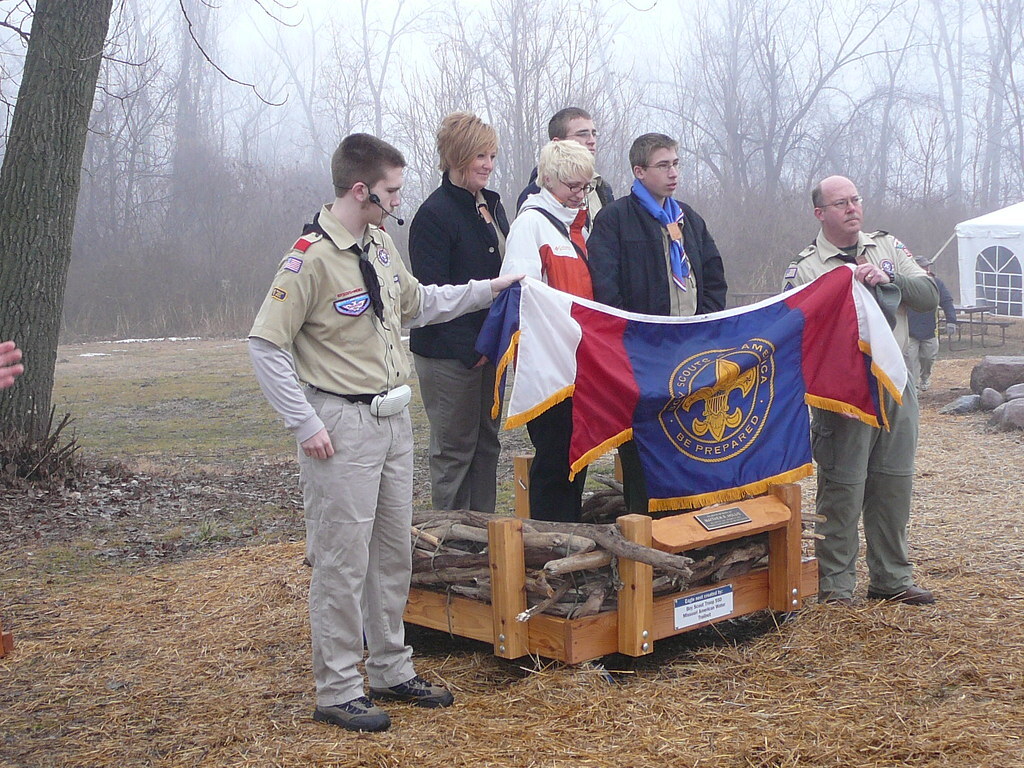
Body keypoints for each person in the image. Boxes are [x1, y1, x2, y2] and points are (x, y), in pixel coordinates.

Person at [248, 133, 521, 733]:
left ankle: (393, 667)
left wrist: (488, 290)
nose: (400, 199)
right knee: (342, 562)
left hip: (393, 420)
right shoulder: (310, 257)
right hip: (341, 425)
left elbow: (417, 303)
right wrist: (305, 422)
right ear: (360, 189)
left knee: (392, 554)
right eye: (392, 189)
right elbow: (265, 346)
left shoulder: (377, 243)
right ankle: (339, 686)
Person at [782, 175, 939, 606]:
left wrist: (890, 278)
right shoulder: (807, 268)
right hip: (843, 397)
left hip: (896, 384)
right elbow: (797, 340)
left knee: (893, 484)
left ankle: (891, 579)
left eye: (856, 199)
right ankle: (836, 587)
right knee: (843, 488)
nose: (852, 208)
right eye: (840, 203)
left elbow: (928, 295)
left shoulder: (886, 247)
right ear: (820, 213)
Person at [588, 132, 727, 514]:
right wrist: (635, 336)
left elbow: (713, 275)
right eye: (663, 165)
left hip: (690, 351)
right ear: (639, 171)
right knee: (645, 446)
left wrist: (705, 324)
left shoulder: (687, 217)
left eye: (676, 163)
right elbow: (606, 287)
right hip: (644, 354)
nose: (673, 173)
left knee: (689, 443)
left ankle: (687, 527)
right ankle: (644, 528)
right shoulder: (615, 219)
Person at [409, 112, 509, 515]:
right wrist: (473, 348)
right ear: (455, 156)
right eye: (478, 155)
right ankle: (450, 542)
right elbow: (431, 297)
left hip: (492, 349)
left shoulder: (492, 206)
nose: (487, 164)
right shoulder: (433, 216)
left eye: (491, 155)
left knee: (487, 444)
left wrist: (495, 342)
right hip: (449, 354)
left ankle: (485, 537)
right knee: (454, 452)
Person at [501, 140, 595, 521]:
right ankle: (548, 541)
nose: (580, 195)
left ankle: (571, 533)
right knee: (555, 457)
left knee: (576, 454)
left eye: (585, 186)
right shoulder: (531, 226)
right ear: (548, 180)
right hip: (547, 364)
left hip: (576, 358)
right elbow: (522, 293)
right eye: (572, 186)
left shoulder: (575, 229)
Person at [516, 107, 614, 219]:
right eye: (583, 134)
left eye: (594, 134)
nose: (592, 141)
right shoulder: (536, 195)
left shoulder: (602, 188)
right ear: (557, 143)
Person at [906, 256, 957, 392]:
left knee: (928, 358)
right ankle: (914, 386)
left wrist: (951, 320)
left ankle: (925, 377)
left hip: (930, 329)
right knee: (910, 360)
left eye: (927, 266)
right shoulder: (906, 282)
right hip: (909, 330)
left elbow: (946, 301)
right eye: (923, 266)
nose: (926, 269)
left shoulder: (936, 283)